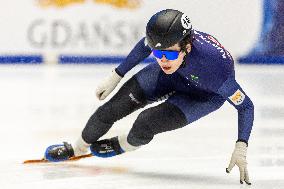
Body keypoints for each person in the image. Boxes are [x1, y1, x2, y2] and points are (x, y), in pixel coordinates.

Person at [44, 9, 254, 185]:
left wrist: (241, 146)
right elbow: (144, 47)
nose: (163, 59)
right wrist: (116, 75)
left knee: (146, 122)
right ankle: (77, 148)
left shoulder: (216, 68)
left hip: (202, 96)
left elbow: (246, 106)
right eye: (157, 53)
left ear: (187, 47)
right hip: (170, 78)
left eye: (170, 54)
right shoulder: (166, 40)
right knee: (113, 108)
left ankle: (124, 145)